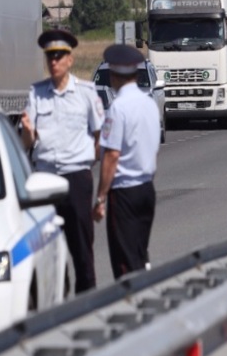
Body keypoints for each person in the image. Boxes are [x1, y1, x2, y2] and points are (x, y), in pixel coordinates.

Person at [20, 28, 104, 293]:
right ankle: (56, 300)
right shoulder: (36, 93)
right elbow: (27, 144)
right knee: (47, 248)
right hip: (45, 180)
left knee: (81, 246)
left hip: (76, 178)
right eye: (50, 57)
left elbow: (101, 136)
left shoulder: (87, 93)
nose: (54, 62)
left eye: (59, 56)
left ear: (70, 59)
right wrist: (27, 133)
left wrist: (86, 162)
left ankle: (86, 301)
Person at [93, 44, 161, 279]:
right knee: (139, 254)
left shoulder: (117, 109)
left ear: (113, 75)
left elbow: (111, 155)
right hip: (146, 189)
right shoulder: (150, 104)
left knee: (125, 263)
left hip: (124, 193)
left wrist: (101, 196)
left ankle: (134, 307)